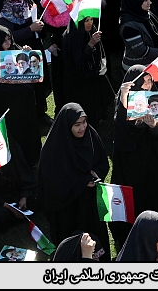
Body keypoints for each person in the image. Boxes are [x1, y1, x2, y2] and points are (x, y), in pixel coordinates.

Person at [37, 103, 110, 259]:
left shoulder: (91, 136)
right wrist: (82, 181)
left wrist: (95, 174)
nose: (82, 128)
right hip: (67, 207)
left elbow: (102, 161)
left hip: (90, 203)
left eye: (84, 122)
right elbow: (54, 182)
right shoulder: (54, 148)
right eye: (77, 125)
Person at [111, 66, 158, 245]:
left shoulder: (156, 98)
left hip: (153, 158)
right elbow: (122, 129)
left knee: (155, 192)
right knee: (134, 198)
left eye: (150, 80)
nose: (148, 84)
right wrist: (125, 99)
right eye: (144, 81)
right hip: (131, 162)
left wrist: (154, 125)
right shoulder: (123, 100)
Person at [0, 26, 42, 168]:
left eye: (9, 39)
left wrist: (27, 54)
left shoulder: (16, 51)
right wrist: (15, 87)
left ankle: (32, 160)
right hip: (5, 109)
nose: (8, 44)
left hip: (24, 106)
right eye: (4, 41)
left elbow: (33, 73)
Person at [62, 15, 113, 128]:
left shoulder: (92, 31)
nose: (90, 23)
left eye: (91, 20)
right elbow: (77, 63)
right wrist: (90, 45)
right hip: (78, 84)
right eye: (86, 21)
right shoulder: (71, 37)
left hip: (92, 80)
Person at [119, 0, 158, 72]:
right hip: (138, 68)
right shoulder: (128, 26)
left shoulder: (146, 14)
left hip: (154, 62)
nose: (150, 2)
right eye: (146, 0)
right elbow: (141, 50)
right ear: (136, 2)